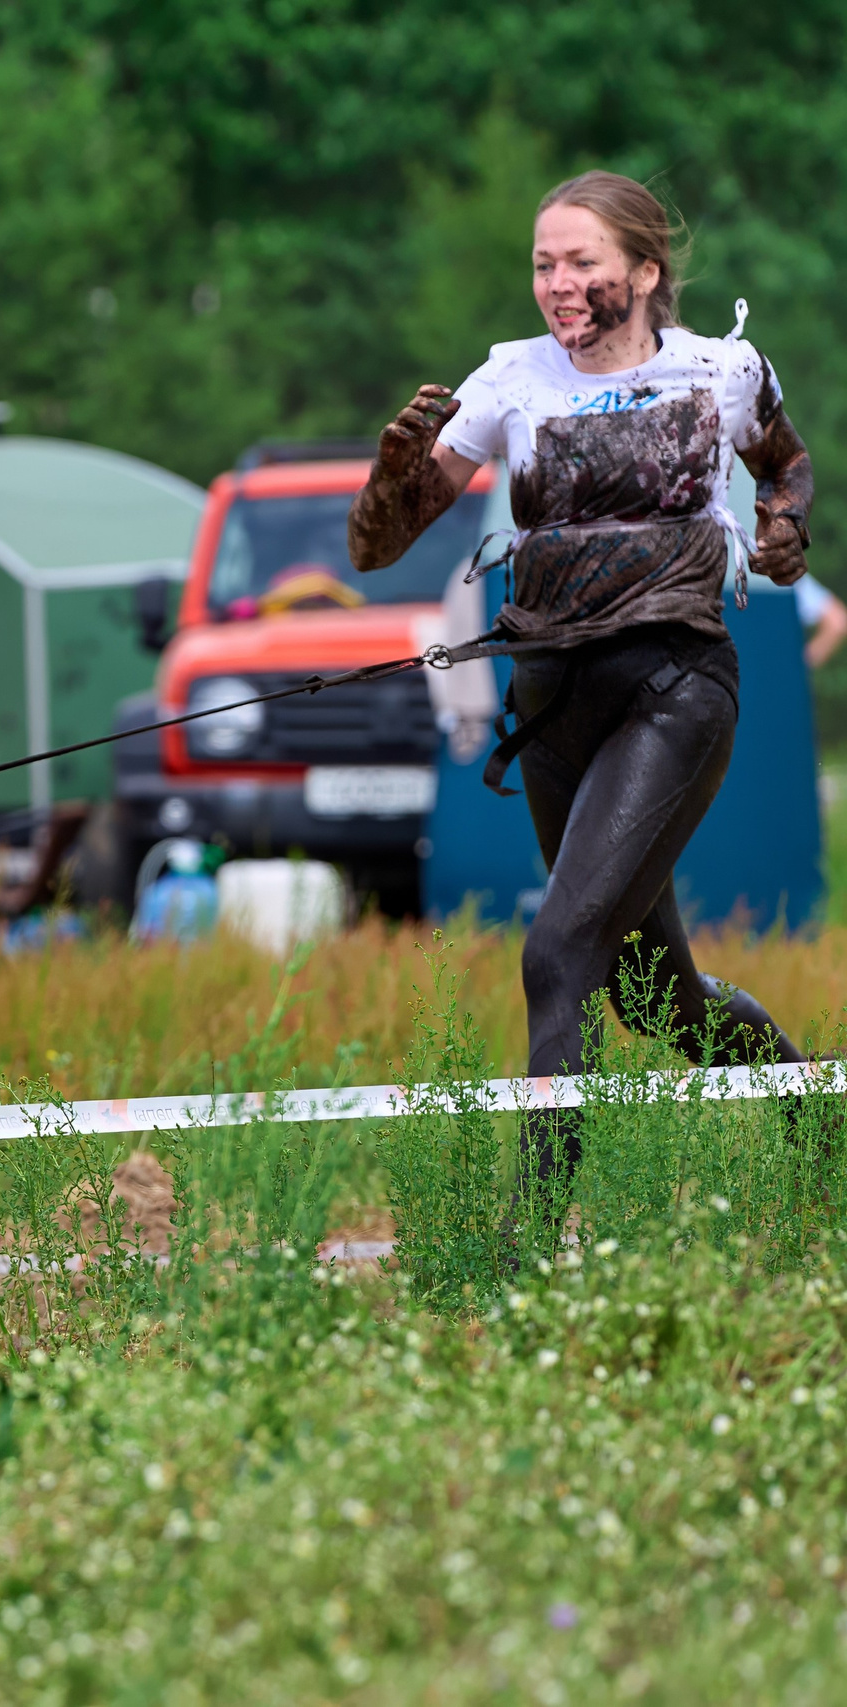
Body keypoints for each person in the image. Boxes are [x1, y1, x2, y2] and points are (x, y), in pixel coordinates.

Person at [347, 171, 815, 1213]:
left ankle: (534, 1240)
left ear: (643, 273)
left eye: (581, 264)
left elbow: (786, 466)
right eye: (542, 264)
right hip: (553, 705)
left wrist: (785, 526)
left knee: (559, 951)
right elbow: (377, 550)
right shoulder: (505, 381)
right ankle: (820, 1118)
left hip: (675, 689)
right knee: (665, 1001)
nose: (556, 285)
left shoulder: (719, 370)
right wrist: (390, 471)